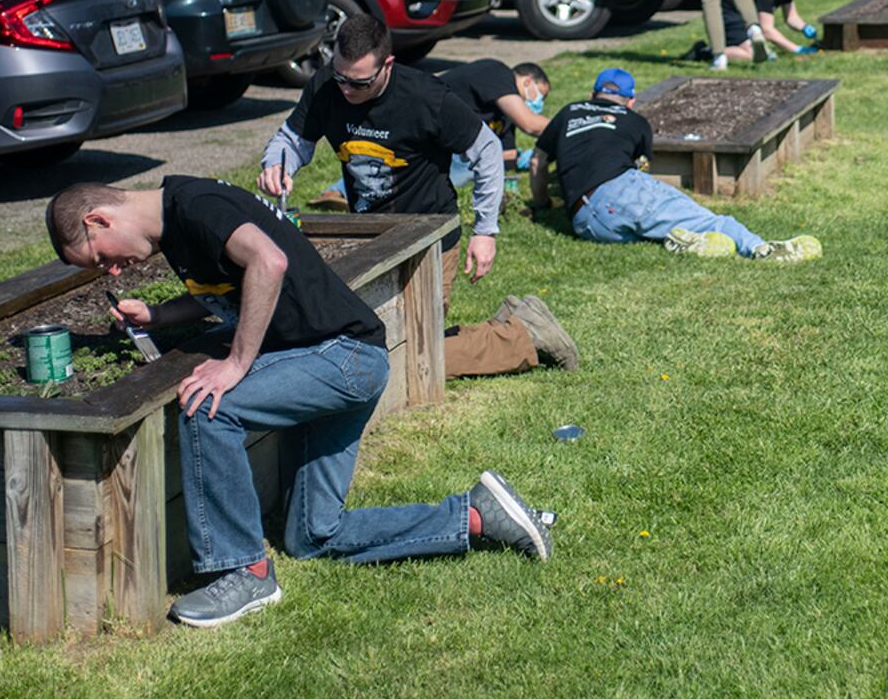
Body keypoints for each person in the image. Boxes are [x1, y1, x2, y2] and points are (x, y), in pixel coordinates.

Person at [44, 178, 553, 628]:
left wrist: (237, 364)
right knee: (314, 534)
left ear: (98, 219)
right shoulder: (179, 223)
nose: (110, 272)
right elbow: (226, 286)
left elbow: (270, 261)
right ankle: (478, 516)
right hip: (340, 360)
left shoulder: (195, 205)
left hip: (341, 358)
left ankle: (245, 572)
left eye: (100, 258)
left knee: (207, 404)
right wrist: (158, 315)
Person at [259, 14, 578, 378]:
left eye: (359, 83)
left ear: (387, 65)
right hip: (369, 237)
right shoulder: (326, 86)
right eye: (340, 77)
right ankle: (513, 325)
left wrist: (485, 231)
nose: (346, 90)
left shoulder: (427, 98)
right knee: (370, 345)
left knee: (410, 357)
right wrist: (278, 164)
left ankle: (524, 337)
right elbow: (293, 139)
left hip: (431, 241)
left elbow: (487, 151)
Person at [528, 68, 821, 262]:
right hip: (618, 191)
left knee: (652, 226)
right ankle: (762, 249)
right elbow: (639, 168)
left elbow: (537, 161)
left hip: (587, 224)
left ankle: (681, 241)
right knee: (712, 220)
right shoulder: (635, 121)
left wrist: (542, 204)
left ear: (593, 95)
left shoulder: (569, 112)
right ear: (630, 102)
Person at [310, 59, 552, 208]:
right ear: (528, 81)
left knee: (466, 165)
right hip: (417, 123)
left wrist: (518, 177)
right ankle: (338, 190)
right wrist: (561, 130)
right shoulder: (497, 73)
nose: (538, 101)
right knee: (400, 163)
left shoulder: (502, 115)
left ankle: (353, 193)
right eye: (540, 94)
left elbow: (503, 155)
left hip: (447, 144)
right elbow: (529, 123)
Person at [689, 0, 819, 64]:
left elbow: (790, 18)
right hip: (729, 9)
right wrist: (796, 49)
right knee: (754, 55)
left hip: (744, 10)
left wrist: (804, 27)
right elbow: (767, 30)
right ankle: (706, 52)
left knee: (762, 52)